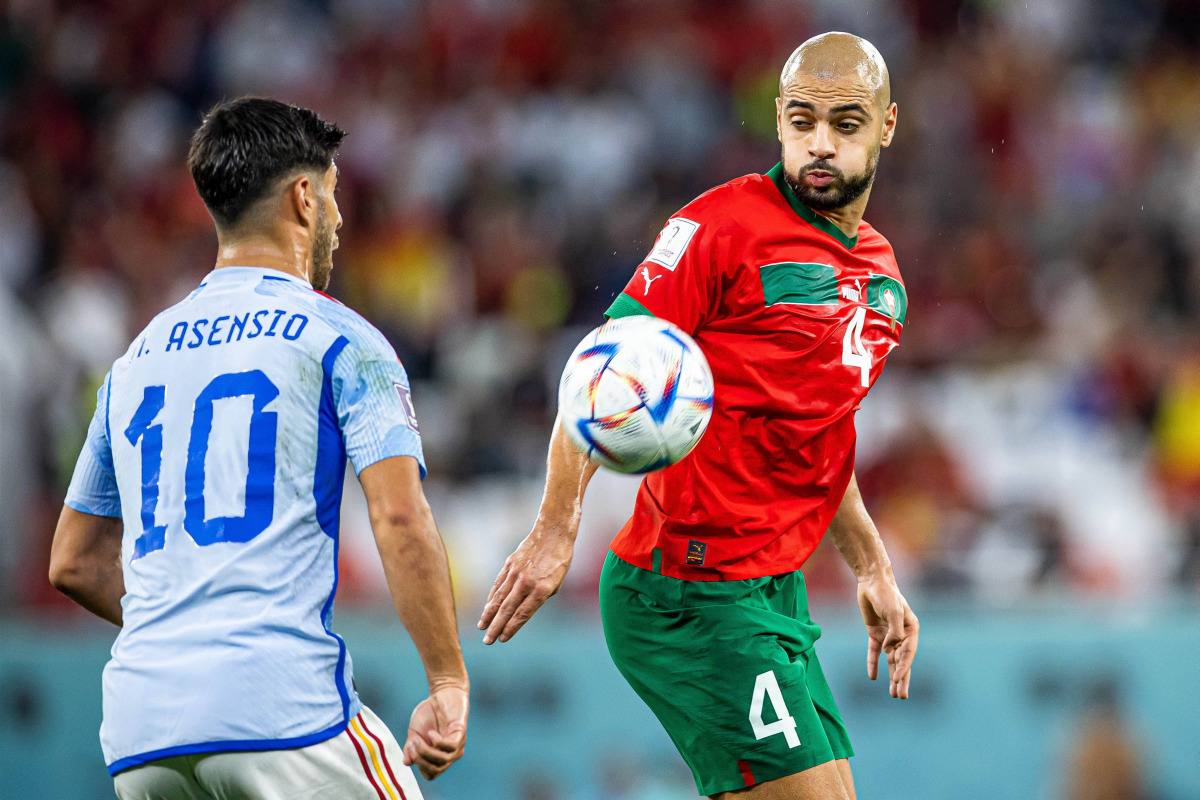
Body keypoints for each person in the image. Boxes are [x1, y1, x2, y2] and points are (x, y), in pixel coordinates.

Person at [479, 32, 918, 800]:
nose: (820, 143)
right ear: (778, 119)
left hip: (773, 592)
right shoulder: (721, 227)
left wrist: (873, 567)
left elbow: (816, 439)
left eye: (845, 123)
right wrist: (555, 526)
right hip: (685, 594)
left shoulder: (883, 279)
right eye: (803, 120)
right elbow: (602, 371)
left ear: (885, 126)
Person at [48, 97, 468, 800]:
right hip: (283, 715)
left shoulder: (134, 360)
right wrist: (447, 679)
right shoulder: (340, 338)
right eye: (333, 194)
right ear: (304, 197)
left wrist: (184, 627)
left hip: (140, 736)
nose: (340, 218)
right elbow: (400, 516)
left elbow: (72, 560)